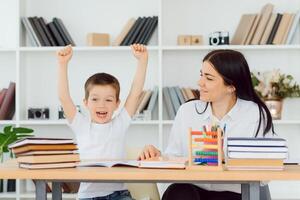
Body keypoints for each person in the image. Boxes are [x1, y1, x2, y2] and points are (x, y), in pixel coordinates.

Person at [138, 49, 274, 200]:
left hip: (235, 192)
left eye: (209, 78)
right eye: (201, 75)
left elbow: (269, 167)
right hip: (193, 190)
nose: (200, 83)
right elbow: (174, 158)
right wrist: (159, 157)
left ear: (231, 86)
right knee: (178, 192)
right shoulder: (187, 111)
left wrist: (227, 159)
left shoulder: (255, 114)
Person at [57, 44, 148, 200]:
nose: (102, 105)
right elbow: (64, 98)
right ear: (85, 102)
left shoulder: (120, 124)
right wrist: (62, 64)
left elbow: (135, 94)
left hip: (118, 195)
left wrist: (143, 60)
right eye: (95, 99)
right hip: (88, 196)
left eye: (108, 100)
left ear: (117, 104)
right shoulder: (81, 125)